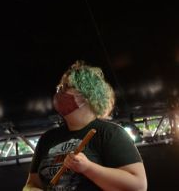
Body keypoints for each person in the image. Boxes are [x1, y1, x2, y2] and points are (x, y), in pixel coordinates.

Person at [23, 60, 147, 191]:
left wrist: (88, 168)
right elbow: (32, 184)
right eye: (60, 88)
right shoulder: (47, 139)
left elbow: (138, 186)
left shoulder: (110, 133)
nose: (60, 92)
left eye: (66, 87)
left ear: (88, 95)